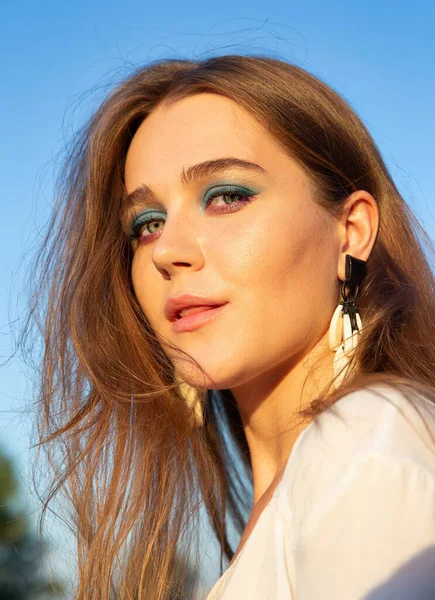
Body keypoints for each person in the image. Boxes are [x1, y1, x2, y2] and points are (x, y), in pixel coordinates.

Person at [23, 55, 435, 599]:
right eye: (147, 224)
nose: (167, 250)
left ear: (351, 231)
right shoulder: (304, 482)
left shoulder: (366, 440)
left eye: (227, 197)